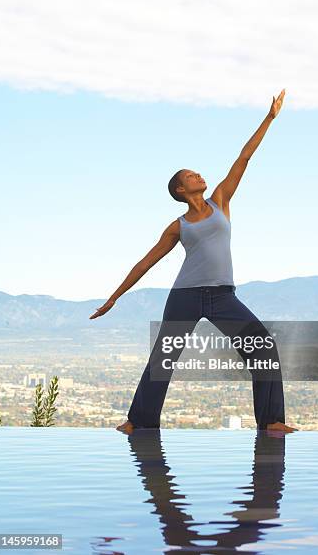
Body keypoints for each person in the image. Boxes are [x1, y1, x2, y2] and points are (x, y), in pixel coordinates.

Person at [90, 88, 297, 435]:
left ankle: (271, 420)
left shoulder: (220, 201)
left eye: (197, 173)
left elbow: (243, 158)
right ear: (181, 191)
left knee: (263, 345)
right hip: (185, 295)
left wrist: (270, 117)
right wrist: (114, 297)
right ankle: (136, 421)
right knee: (164, 359)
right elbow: (145, 263)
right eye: (191, 176)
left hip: (223, 296)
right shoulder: (178, 226)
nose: (199, 176)